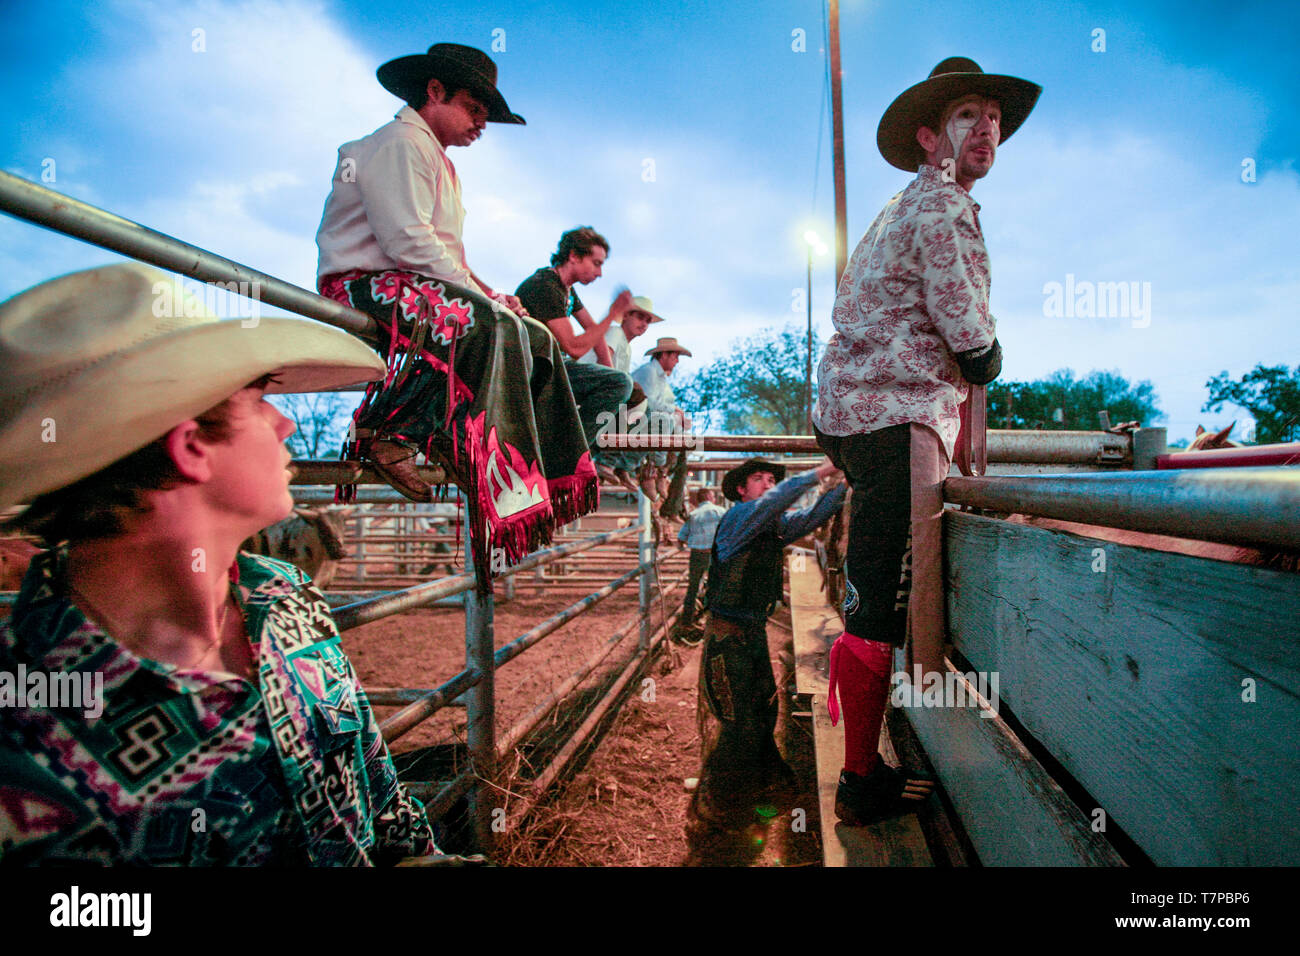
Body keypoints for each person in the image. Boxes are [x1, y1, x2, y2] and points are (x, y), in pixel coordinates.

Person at [0, 263, 441, 865]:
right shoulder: (25, 746)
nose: (284, 421)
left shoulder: (285, 596)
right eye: (259, 401)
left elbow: (393, 832)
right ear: (191, 448)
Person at [813, 57, 1040, 826]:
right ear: (928, 137)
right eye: (969, 115)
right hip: (898, 419)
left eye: (996, 119)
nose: (987, 129)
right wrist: (989, 357)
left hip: (856, 417)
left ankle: (858, 763)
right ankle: (857, 782)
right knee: (884, 597)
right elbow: (970, 337)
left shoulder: (895, 210)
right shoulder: (942, 205)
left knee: (869, 588)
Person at [315, 42, 598, 581]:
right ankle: (410, 433)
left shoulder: (432, 157)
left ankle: (541, 471)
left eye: (485, 116)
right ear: (436, 92)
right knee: (491, 324)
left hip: (410, 282)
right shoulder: (398, 143)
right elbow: (407, 241)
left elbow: (443, 254)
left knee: (532, 335)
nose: (482, 123)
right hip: (362, 284)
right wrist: (487, 301)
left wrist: (492, 293)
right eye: (475, 109)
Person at [690, 457, 846, 833]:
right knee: (737, 719)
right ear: (741, 490)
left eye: (772, 478)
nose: (768, 483)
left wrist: (847, 483)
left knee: (763, 712)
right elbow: (776, 502)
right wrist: (823, 471)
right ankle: (722, 802)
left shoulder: (772, 526)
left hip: (751, 634)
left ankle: (753, 791)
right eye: (759, 478)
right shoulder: (741, 516)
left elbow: (815, 514)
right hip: (728, 639)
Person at [514, 228, 634, 458]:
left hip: (552, 366)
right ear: (574, 257)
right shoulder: (545, 286)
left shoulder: (566, 289)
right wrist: (612, 314)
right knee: (620, 385)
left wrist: (606, 369)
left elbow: (592, 331)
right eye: (596, 263)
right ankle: (569, 452)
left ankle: (577, 446)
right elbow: (574, 347)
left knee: (623, 390)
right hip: (535, 371)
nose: (599, 273)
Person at [632, 337, 693, 515]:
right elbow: (648, 402)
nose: (677, 361)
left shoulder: (658, 376)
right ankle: (655, 471)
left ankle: (662, 472)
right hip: (636, 417)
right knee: (666, 422)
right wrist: (674, 410)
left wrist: (677, 414)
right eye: (675, 357)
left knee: (679, 433)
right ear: (664, 355)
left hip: (645, 418)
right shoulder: (649, 372)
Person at [673, 487, 726, 643]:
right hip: (715, 553)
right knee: (717, 585)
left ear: (699, 499)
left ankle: (687, 621)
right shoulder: (721, 511)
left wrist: (681, 545)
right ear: (710, 497)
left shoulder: (694, 515)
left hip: (697, 554)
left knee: (693, 587)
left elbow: (681, 536)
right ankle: (714, 619)